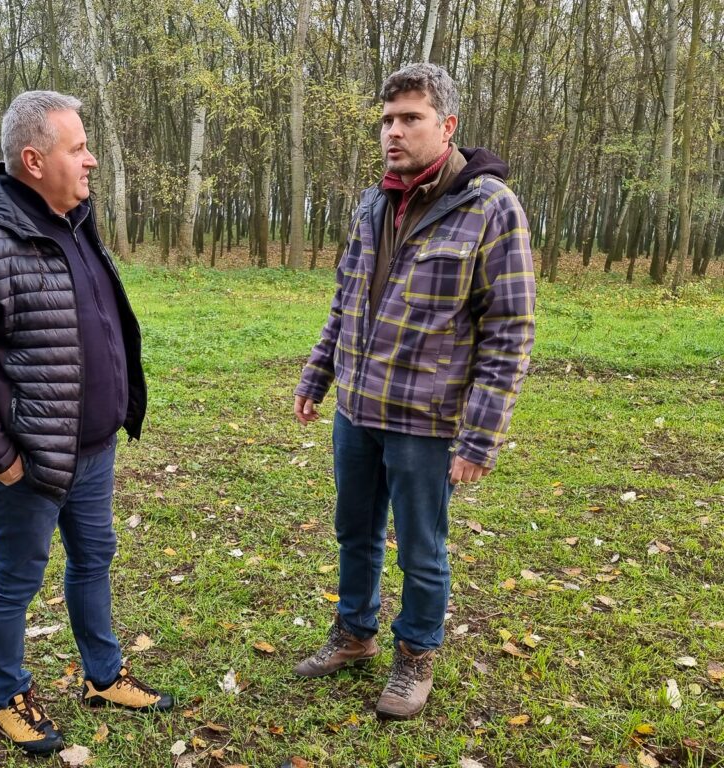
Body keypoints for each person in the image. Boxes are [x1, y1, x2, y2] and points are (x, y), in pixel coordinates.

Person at [0, 90, 172, 756]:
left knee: (93, 559)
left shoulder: (75, 221)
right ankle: (9, 694)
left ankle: (103, 676)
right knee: (17, 578)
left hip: (93, 448)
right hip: (29, 458)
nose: (91, 160)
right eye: (78, 148)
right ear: (34, 160)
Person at [292, 63, 535, 720]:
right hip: (357, 409)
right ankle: (355, 633)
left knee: (422, 548)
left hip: (426, 421)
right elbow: (346, 299)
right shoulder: (373, 204)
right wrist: (318, 374)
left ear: (447, 125)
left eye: (410, 119)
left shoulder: (490, 208)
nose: (393, 132)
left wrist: (480, 437)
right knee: (354, 531)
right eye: (387, 120)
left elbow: (510, 331)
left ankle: (416, 653)